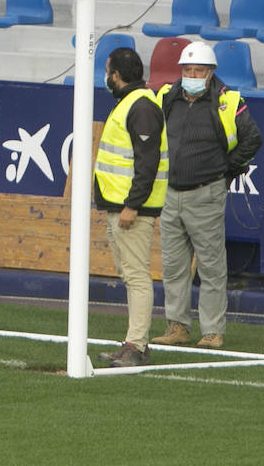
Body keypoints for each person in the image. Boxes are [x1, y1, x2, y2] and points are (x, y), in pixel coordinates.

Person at [151, 41, 262, 350]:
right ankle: (177, 326)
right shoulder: (167, 97)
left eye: (198, 70)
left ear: (211, 73)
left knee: (211, 267)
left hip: (206, 193)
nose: (192, 74)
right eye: (188, 70)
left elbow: (252, 138)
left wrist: (226, 169)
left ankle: (212, 331)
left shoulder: (228, 101)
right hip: (172, 193)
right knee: (173, 266)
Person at [93, 47, 168, 368]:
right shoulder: (134, 104)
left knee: (136, 277)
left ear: (116, 75)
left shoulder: (140, 107)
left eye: (108, 71)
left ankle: (136, 346)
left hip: (132, 209)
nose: (107, 77)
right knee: (131, 275)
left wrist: (133, 205)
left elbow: (147, 162)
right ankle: (133, 343)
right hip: (123, 206)